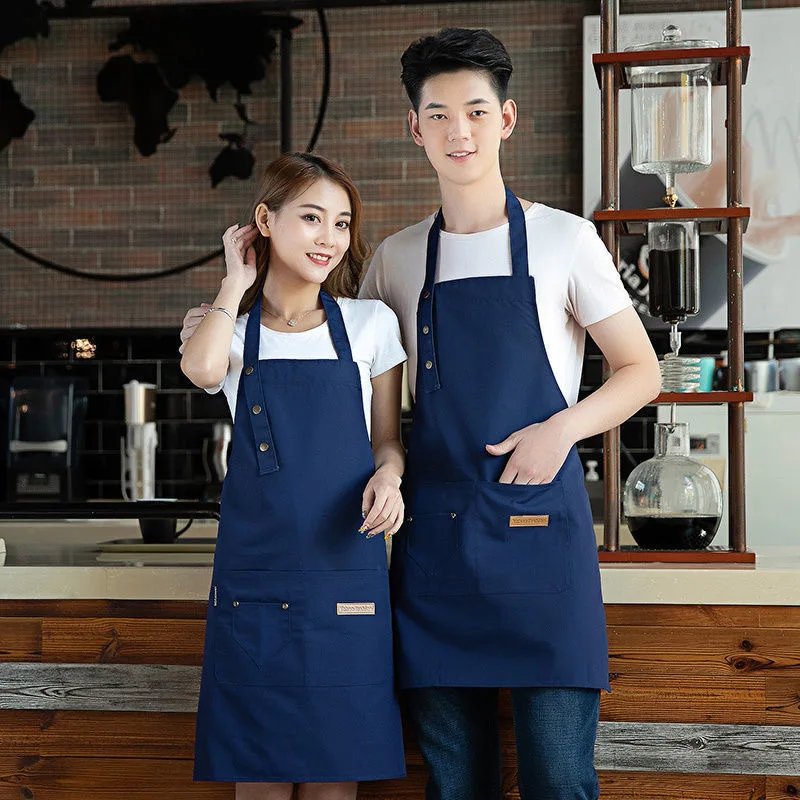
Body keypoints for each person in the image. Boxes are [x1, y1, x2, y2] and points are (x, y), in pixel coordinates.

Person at [357, 28, 662, 800]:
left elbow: (641, 371)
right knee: (455, 786)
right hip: (435, 555)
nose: (458, 131)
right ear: (413, 128)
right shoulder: (394, 259)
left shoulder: (566, 239)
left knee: (561, 780)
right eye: (438, 115)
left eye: (476, 111)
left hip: (542, 545)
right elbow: (372, 415)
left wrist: (562, 428)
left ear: (507, 119)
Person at [181, 152, 407, 800]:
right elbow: (199, 371)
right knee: (261, 787)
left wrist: (389, 481)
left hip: (347, 581)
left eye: (340, 223)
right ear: (265, 220)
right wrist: (233, 281)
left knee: (335, 788)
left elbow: (387, 442)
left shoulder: (370, 324)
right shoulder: (230, 332)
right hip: (255, 585)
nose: (328, 238)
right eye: (311, 218)